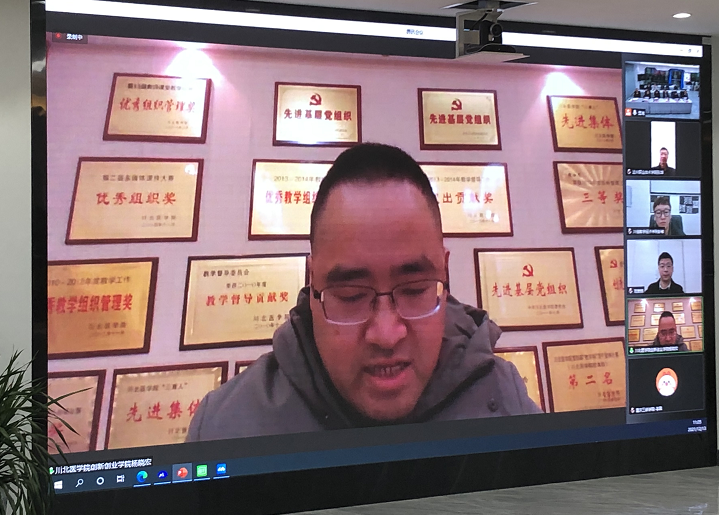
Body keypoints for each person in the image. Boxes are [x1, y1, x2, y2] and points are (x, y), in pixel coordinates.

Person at [187, 143, 541, 441]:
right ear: (312, 282)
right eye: (351, 296)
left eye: (414, 290)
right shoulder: (226, 428)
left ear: (444, 274)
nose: (386, 335)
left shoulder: (506, 402)